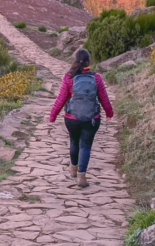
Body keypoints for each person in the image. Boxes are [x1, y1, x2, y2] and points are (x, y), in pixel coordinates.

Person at [48, 48, 113, 188]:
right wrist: (109, 113)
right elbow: (104, 98)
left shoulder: (68, 77)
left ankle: (73, 168)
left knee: (74, 141)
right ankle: (81, 177)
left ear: (75, 60)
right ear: (89, 61)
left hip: (72, 118)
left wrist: (53, 115)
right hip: (91, 118)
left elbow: (61, 99)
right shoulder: (96, 78)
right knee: (86, 145)